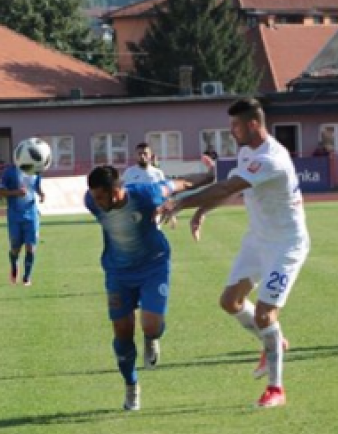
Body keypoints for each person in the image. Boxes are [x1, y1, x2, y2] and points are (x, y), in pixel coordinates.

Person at [160, 98, 310, 408]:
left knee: (265, 314)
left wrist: (180, 202)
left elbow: (227, 187)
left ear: (253, 124)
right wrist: (202, 210)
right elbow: (237, 188)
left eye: (236, 126)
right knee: (230, 301)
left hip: (286, 245)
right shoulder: (247, 151)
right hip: (258, 239)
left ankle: (276, 389)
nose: (232, 132)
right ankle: (274, 342)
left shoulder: (272, 158)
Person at [85, 164, 214, 411]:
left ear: (116, 190)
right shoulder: (91, 201)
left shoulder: (146, 194)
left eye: (101, 196)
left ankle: (151, 338)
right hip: (118, 272)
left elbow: (181, 184)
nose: (96, 202)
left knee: (151, 325)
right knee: (122, 333)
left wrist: (210, 176)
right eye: (93, 197)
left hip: (153, 266)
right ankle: (131, 386)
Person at [0, 162, 46, 286]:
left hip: (32, 213)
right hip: (15, 215)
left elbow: (36, 186)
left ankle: (27, 277)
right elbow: (0, 192)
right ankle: (14, 264)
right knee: (16, 248)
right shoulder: (10, 172)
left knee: (31, 246)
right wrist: (16, 193)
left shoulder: (36, 171)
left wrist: (41, 194)